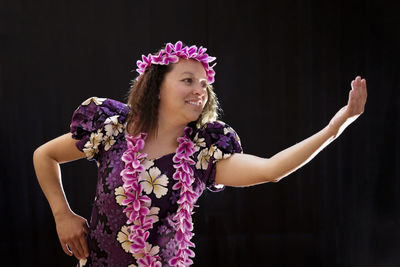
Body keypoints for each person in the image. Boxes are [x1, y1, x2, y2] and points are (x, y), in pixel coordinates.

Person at [33, 41, 367, 267]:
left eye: (205, 84)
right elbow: (44, 155)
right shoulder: (112, 129)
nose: (200, 91)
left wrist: (334, 127)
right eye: (188, 80)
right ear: (156, 86)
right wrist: (63, 215)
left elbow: (271, 169)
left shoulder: (202, 152)